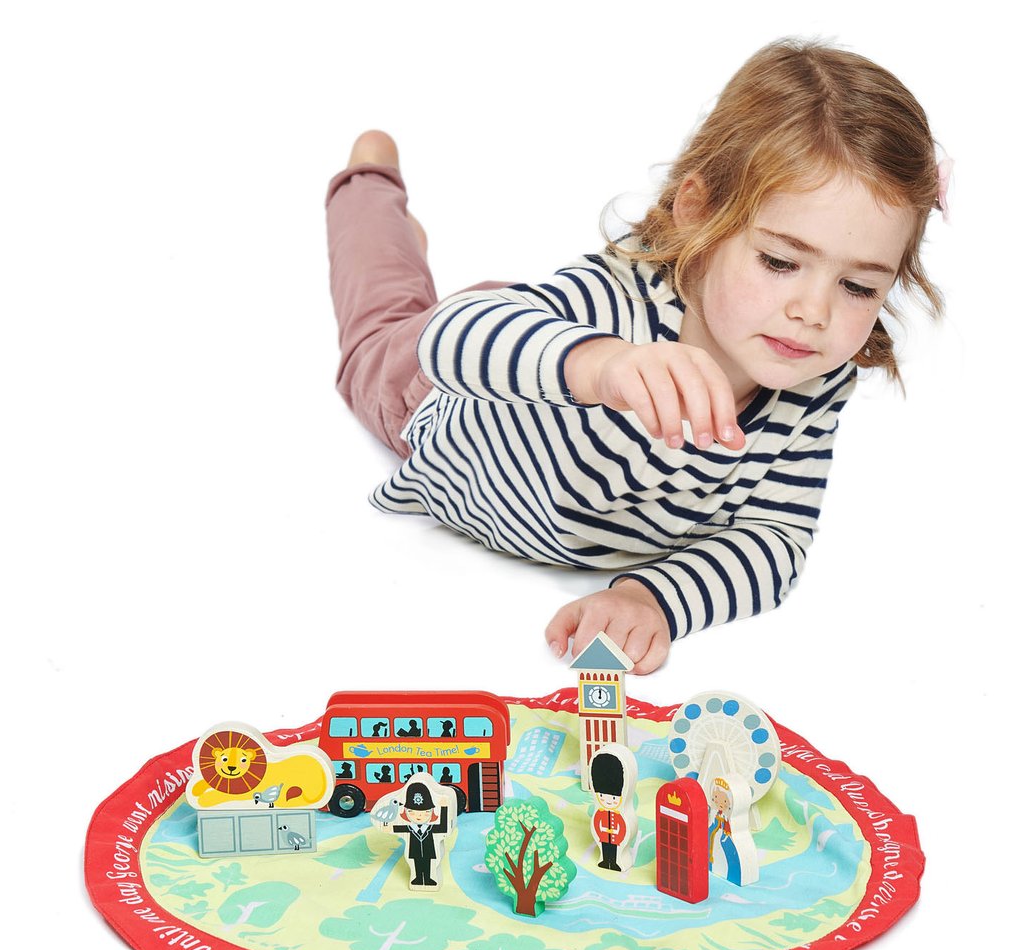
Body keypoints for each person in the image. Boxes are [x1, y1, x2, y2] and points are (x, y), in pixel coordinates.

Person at [325, 39, 947, 675]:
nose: (814, 312)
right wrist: (600, 365)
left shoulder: (814, 378)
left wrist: (650, 597)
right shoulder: (611, 300)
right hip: (453, 385)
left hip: (530, 365)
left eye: (858, 286)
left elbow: (775, 540)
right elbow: (449, 338)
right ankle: (371, 193)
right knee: (381, 307)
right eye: (781, 261)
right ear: (697, 213)